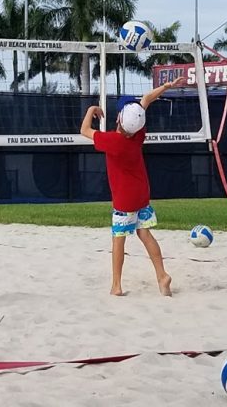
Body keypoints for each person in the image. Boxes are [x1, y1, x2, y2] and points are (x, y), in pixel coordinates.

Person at [80, 78, 185, 297]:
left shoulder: (112, 141)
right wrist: (167, 86)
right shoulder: (138, 133)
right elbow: (146, 99)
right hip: (142, 194)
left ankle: (116, 285)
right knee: (145, 233)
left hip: (124, 200)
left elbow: (84, 130)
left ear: (118, 118)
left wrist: (92, 109)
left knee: (118, 239)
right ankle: (162, 275)